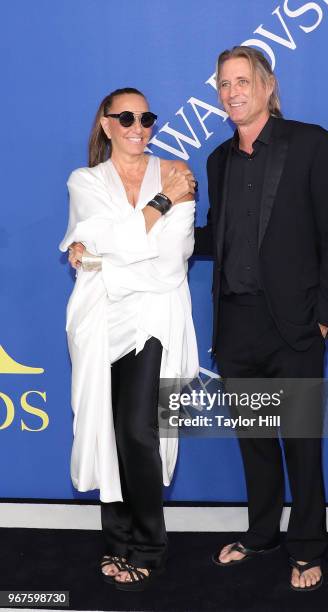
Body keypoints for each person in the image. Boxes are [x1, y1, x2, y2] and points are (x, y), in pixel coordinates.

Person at [195, 47, 328, 591]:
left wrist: (325, 318)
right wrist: (150, 224)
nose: (232, 91)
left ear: (267, 86)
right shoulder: (217, 161)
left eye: (242, 81)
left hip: (295, 325)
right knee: (256, 442)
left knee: (302, 444)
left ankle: (308, 547)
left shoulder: (312, 143)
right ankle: (262, 533)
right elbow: (215, 239)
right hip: (236, 325)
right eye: (223, 84)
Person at [60, 87, 199, 591]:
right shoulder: (86, 180)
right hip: (99, 317)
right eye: (126, 117)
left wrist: (106, 255)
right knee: (106, 426)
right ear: (106, 123)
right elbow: (106, 241)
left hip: (154, 314)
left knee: (139, 429)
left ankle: (150, 544)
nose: (138, 126)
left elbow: (173, 255)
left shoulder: (179, 170)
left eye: (146, 117)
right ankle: (116, 541)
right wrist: (160, 206)